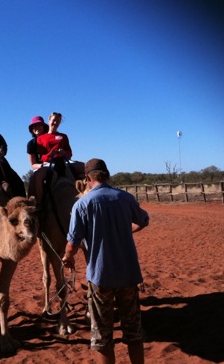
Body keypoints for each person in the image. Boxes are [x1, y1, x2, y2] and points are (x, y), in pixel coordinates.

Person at [62, 158, 149, 364]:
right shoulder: (125, 198)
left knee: (102, 336)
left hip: (101, 278)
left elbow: (72, 243)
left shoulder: (82, 204)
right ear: (106, 174)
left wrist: (68, 257)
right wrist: (127, 231)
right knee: (134, 332)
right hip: (128, 274)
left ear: (87, 178)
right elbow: (143, 220)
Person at [28, 112, 84, 205]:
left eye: (58, 121)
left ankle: (89, 197)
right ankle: (40, 204)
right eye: (54, 120)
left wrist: (64, 153)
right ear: (49, 120)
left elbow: (69, 153)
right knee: (37, 177)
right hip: (49, 163)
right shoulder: (40, 139)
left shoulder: (63, 136)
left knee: (87, 167)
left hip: (64, 161)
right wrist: (51, 154)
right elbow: (42, 157)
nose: (55, 122)